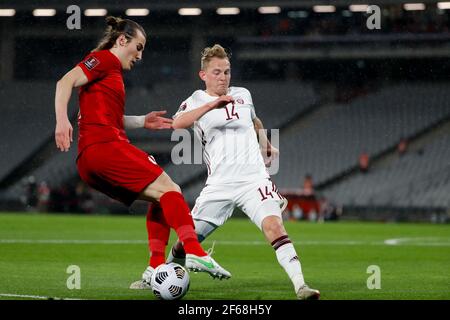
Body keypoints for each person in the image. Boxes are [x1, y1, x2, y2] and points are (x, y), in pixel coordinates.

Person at [54, 17, 229, 290]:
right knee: (171, 188)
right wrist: (61, 121)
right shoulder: (104, 60)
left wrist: (141, 121)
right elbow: (64, 81)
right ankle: (194, 251)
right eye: (138, 47)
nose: (140, 55)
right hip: (105, 147)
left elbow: (106, 117)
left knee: (160, 199)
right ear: (122, 40)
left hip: (90, 161)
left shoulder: (110, 74)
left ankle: (155, 268)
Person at [137, 44, 320, 299]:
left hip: (253, 180)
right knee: (184, 243)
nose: (223, 77)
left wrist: (266, 144)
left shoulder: (243, 94)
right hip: (219, 185)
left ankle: (301, 286)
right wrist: (212, 105)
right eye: (216, 72)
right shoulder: (195, 100)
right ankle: (158, 278)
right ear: (203, 75)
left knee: (275, 227)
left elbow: (254, 120)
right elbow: (178, 123)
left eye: (226, 72)